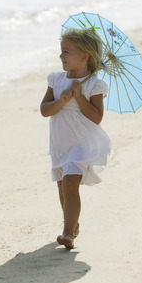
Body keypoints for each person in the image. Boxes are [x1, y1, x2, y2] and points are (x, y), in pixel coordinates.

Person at [40, 28, 112, 249]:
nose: (61, 56)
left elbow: (97, 117)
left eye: (65, 52)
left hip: (82, 144)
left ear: (84, 56)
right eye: (61, 52)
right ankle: (73, 224)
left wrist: (80, 97)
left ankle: (67, 233)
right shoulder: (56, 80)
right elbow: (45, 110)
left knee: (72, 182)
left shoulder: (93, 85)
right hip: (61, 143)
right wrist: (61, 100)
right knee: (63, 188)